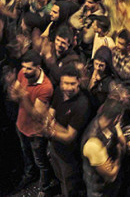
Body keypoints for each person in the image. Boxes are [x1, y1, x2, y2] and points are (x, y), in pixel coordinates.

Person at [43, 62, 94, 197]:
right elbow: (51, 111)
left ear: (78, 82)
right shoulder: (59, 92)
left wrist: (50, 131)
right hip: (55, 148)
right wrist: (50, 122)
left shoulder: (81, 104)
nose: (68, 87)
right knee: (60, 178)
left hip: (69, 156)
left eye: (72, 83)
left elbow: (69, 137)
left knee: (69, 185)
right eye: (65, 83)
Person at [10, 50, 55, 192]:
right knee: (27, 156)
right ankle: (30, 175)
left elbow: (37, 114)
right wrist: (13, 91)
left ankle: (44, 186)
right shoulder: (22, 74)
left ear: (38, 67)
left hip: (36, 132)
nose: (24, 71)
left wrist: (23, 97)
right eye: (23, 67)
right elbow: (14, 94)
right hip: (21, 125)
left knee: (40, 161)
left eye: (29, 68)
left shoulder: (46, 87)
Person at [81, 100, 126, 197]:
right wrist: (118, 157)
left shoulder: (108, 122)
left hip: (108, 186)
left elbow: (123, 143)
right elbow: (111, 176)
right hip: (98, 189)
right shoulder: (93, 143)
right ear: (118, 117)